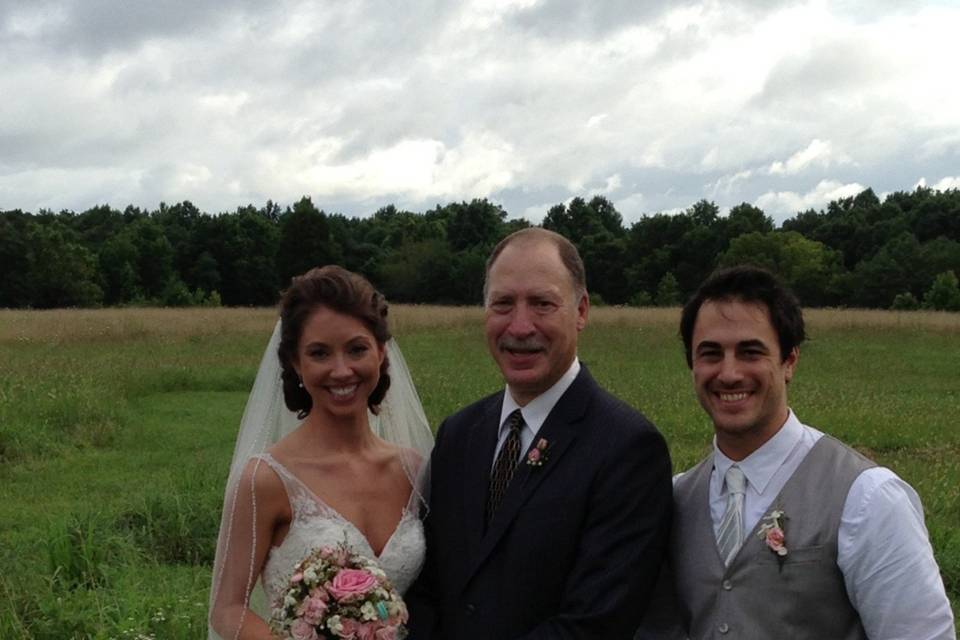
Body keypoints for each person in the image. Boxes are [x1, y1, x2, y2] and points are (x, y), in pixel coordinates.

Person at [642, 265, 955, 639]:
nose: (728, 373)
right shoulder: (676, 498)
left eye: (750, 352)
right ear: (692, 366)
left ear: (789, 361)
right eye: (711, 354)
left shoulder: (867, 497)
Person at [407, 227, 673, 639]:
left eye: (542, 304)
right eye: (503, 304)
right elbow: (429, 585)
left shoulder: (627, 448)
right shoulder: (459, 434)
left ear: (581, 311)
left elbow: (597, 621)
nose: (519, 326)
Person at [208, 266, 434, 640]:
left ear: (380, 352)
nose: (341, 370)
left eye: (357, 349)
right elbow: (227, 608)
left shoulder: (415, 469)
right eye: (319, 353)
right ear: (296, 363)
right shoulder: (265, 480)